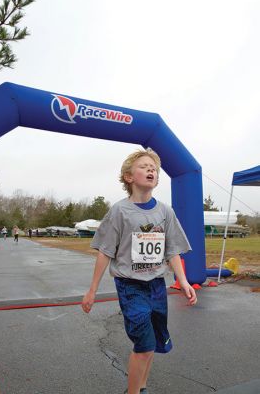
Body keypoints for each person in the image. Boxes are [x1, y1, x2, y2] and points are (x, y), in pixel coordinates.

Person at [82, 149, 197, 394]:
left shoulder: (165, 212)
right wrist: (91, 290)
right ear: (128, 177)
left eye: (153, 168)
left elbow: (172, 250)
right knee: (143, 345)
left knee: (153, 342)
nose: (151, 170)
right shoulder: (119, 211)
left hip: (156, 285)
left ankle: (141, 387)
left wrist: (184, 281)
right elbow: (104, 251)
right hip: (130, 286)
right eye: (144, 166)